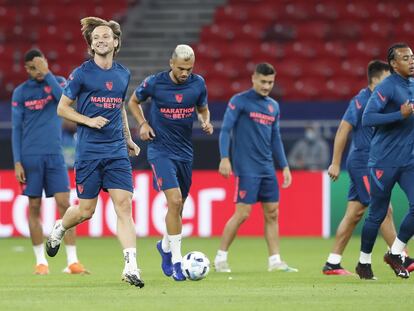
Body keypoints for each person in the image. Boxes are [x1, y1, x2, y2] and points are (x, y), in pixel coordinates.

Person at [45, 17, 144, 288]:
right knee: (86, 211)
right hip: (89, 152)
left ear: (116, 42)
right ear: (91, 45)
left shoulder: (123, 73)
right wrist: (88, 121)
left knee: (124, 207)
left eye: (106, 36)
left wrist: (127, 139)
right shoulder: (81, 73)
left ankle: (131, 267)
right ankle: (60, 227)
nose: (101, 40)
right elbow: (62, 108)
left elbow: (120, 107)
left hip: (116, 152)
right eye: (96, 37)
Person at [128, 44, 213, 281]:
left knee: (180, 206)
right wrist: (143, 124)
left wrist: (205, 121)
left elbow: (203, 109)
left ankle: (164, 247)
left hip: (184, 152)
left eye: (189, 68)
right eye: (182, 68)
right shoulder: (155, 83)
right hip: (160, 150)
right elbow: (133, 101)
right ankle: (176, 261)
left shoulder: (198, 84)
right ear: (171, 64)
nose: (185, 73)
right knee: (174, 200)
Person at [323, 60, 414, 275]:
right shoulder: (362, 100)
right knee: (383, 211)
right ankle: (401, 257)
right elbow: (343, 129)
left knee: (354, 213)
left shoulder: (391, 98)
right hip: (364, 161)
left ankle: (332, 262)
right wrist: (335, 162)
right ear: (375, 81)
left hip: (374, 160)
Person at [214, 63, 297, 273]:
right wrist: (224, 158)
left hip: (267, 168)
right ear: (253, 79)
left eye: (270, 82)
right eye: (263, 81)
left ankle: (275, 261)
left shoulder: (273, 106)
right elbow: (225, 130)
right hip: (246, 168)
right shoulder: (239, 101)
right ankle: (220, 258)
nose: (267, 86)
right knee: (242, 213)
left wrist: (284, 166)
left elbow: (275, 138)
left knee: (272, 214)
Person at [11, 49, 88, 275]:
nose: (36, 70)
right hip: (30, 157)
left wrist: (47, 74)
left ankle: (72, 261)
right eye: (32, 67)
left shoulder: (59, 82)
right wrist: (17, 162)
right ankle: (40, 262)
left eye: (39, 64)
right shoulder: (20, 92)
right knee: (34, 207)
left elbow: (64, 103)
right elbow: (16, 129)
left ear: (45, 62)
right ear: (26, 69)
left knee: (65, 205)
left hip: (55, 156)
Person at [356, 43, 414, 280]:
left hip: (408, 160)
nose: (411, 61)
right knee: (377, 215)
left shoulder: (412, 84)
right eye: (405, 58)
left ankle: (396, 252)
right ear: (393, 63)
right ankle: (364, 262)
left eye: (412, 57)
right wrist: (398, 115)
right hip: (383, 161)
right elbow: (368, 119)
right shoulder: (387, 86)